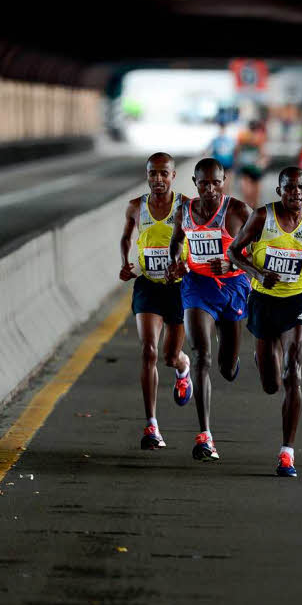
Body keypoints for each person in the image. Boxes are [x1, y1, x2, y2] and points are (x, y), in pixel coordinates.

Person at [228, 167, 302, 477]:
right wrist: (259, 273)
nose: (295, 193)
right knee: (271, 383)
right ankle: (262, 356)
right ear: (279, 192)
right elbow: (234, 251)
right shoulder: (263, 217)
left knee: (293, 372)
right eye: (288, 188)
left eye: (300, 188)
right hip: (264, 301)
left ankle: (287, 453)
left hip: (298, 301)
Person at [165, 158, 252, 461]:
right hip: (197, 285)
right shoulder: (184, 212)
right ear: (195, 183)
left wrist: (231, 262)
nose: (211, 188)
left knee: (226, 368)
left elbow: (257, 251)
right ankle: (205, 435)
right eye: (204, 183)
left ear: (223, 180)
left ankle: (231, 361)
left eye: (216, 182)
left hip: (233, 287)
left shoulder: (239, 211)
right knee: (202, 355)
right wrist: (175, 262)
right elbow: (176, 243)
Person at [118, 153, 192, 450]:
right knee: (148, 350)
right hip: (148, 285)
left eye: (163, 174)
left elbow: (196, 241)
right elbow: (126, 237)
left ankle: (183, 368)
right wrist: (125, 262)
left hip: (178, 288)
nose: (157, 180)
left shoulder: (186, 206)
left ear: (173, 176)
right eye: (152, 174)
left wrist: (185, 266)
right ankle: (152, 426)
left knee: (169, 357)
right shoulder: (136, 206)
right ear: (147, 175)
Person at [236, 120, 269, 209]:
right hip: (246, 168)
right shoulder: (243, 136)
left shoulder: (259, 137)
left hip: (256, 169)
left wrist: (262, 162)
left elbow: (264, 154)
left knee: (254, 196)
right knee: (247, 193)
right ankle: (249, 211)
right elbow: (237, 150)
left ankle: (253, 211)